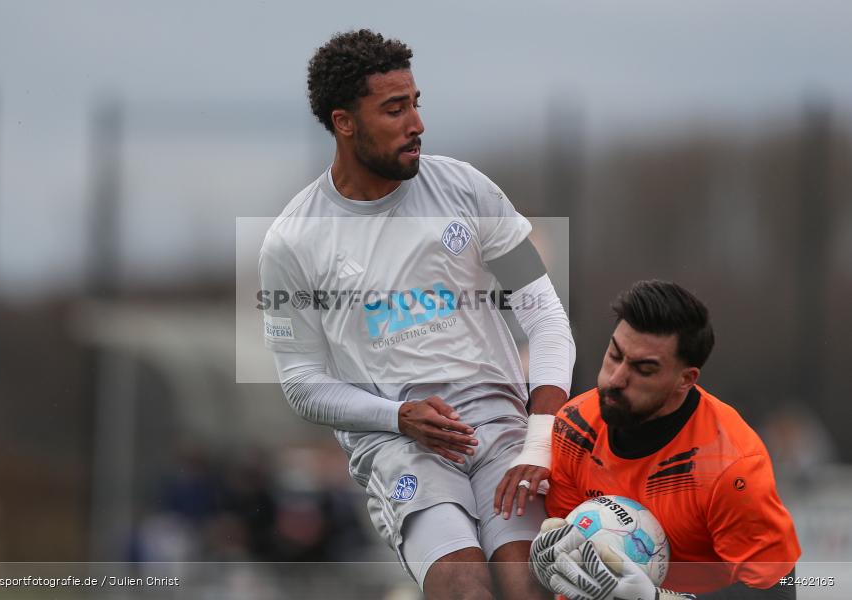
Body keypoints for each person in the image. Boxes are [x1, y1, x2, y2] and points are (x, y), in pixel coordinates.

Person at [258, 29, 575, 599]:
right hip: (399, 446)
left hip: (504, 430)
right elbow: (302, 384)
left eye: (416, 103)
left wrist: (539, 441)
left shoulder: (470, 191)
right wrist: (398, 416)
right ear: (344, 122)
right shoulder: (291, 242)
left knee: (528, 586)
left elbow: (548, 318)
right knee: (466, 589)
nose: (417, 124)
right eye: (394, 109)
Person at [530, 280, 801, 600]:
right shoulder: (574, 426)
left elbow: (781, 590)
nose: (616, 379)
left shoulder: (731, 465)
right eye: (614, 355)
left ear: (685, 379)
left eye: (643, 369)